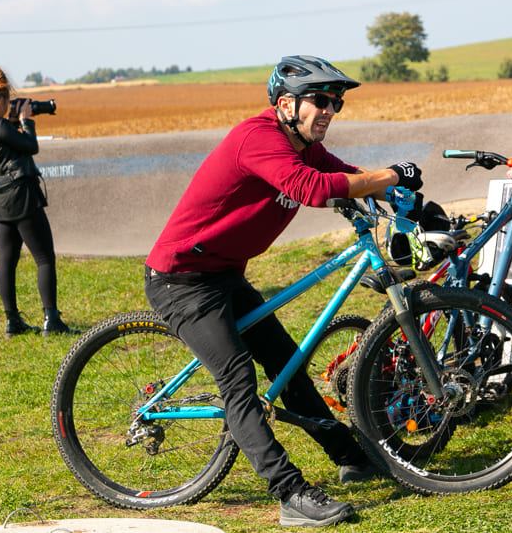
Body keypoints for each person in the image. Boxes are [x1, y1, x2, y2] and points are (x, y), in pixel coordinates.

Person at [144, 55, 423, 528]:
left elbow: (344, 176)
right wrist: (392, 174)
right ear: (287, 103)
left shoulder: (305, 145)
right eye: (320, 101)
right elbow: (312, 188)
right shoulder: (258, 138)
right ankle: (290, 494)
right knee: (239, 382)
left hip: (225, 275)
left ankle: (350, 456)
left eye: (335, 103)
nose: (329, 111)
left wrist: (401, 197)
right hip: (182, 281)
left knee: (288, 366)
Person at [0, 67, 78, 338]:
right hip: (21, 197)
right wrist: (26, 120)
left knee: (7, 260)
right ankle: (51, 319)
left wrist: (14, 120)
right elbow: (29, 146)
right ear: (1, 101)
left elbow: (6, 146)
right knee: (44, 258)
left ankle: (12, 321)